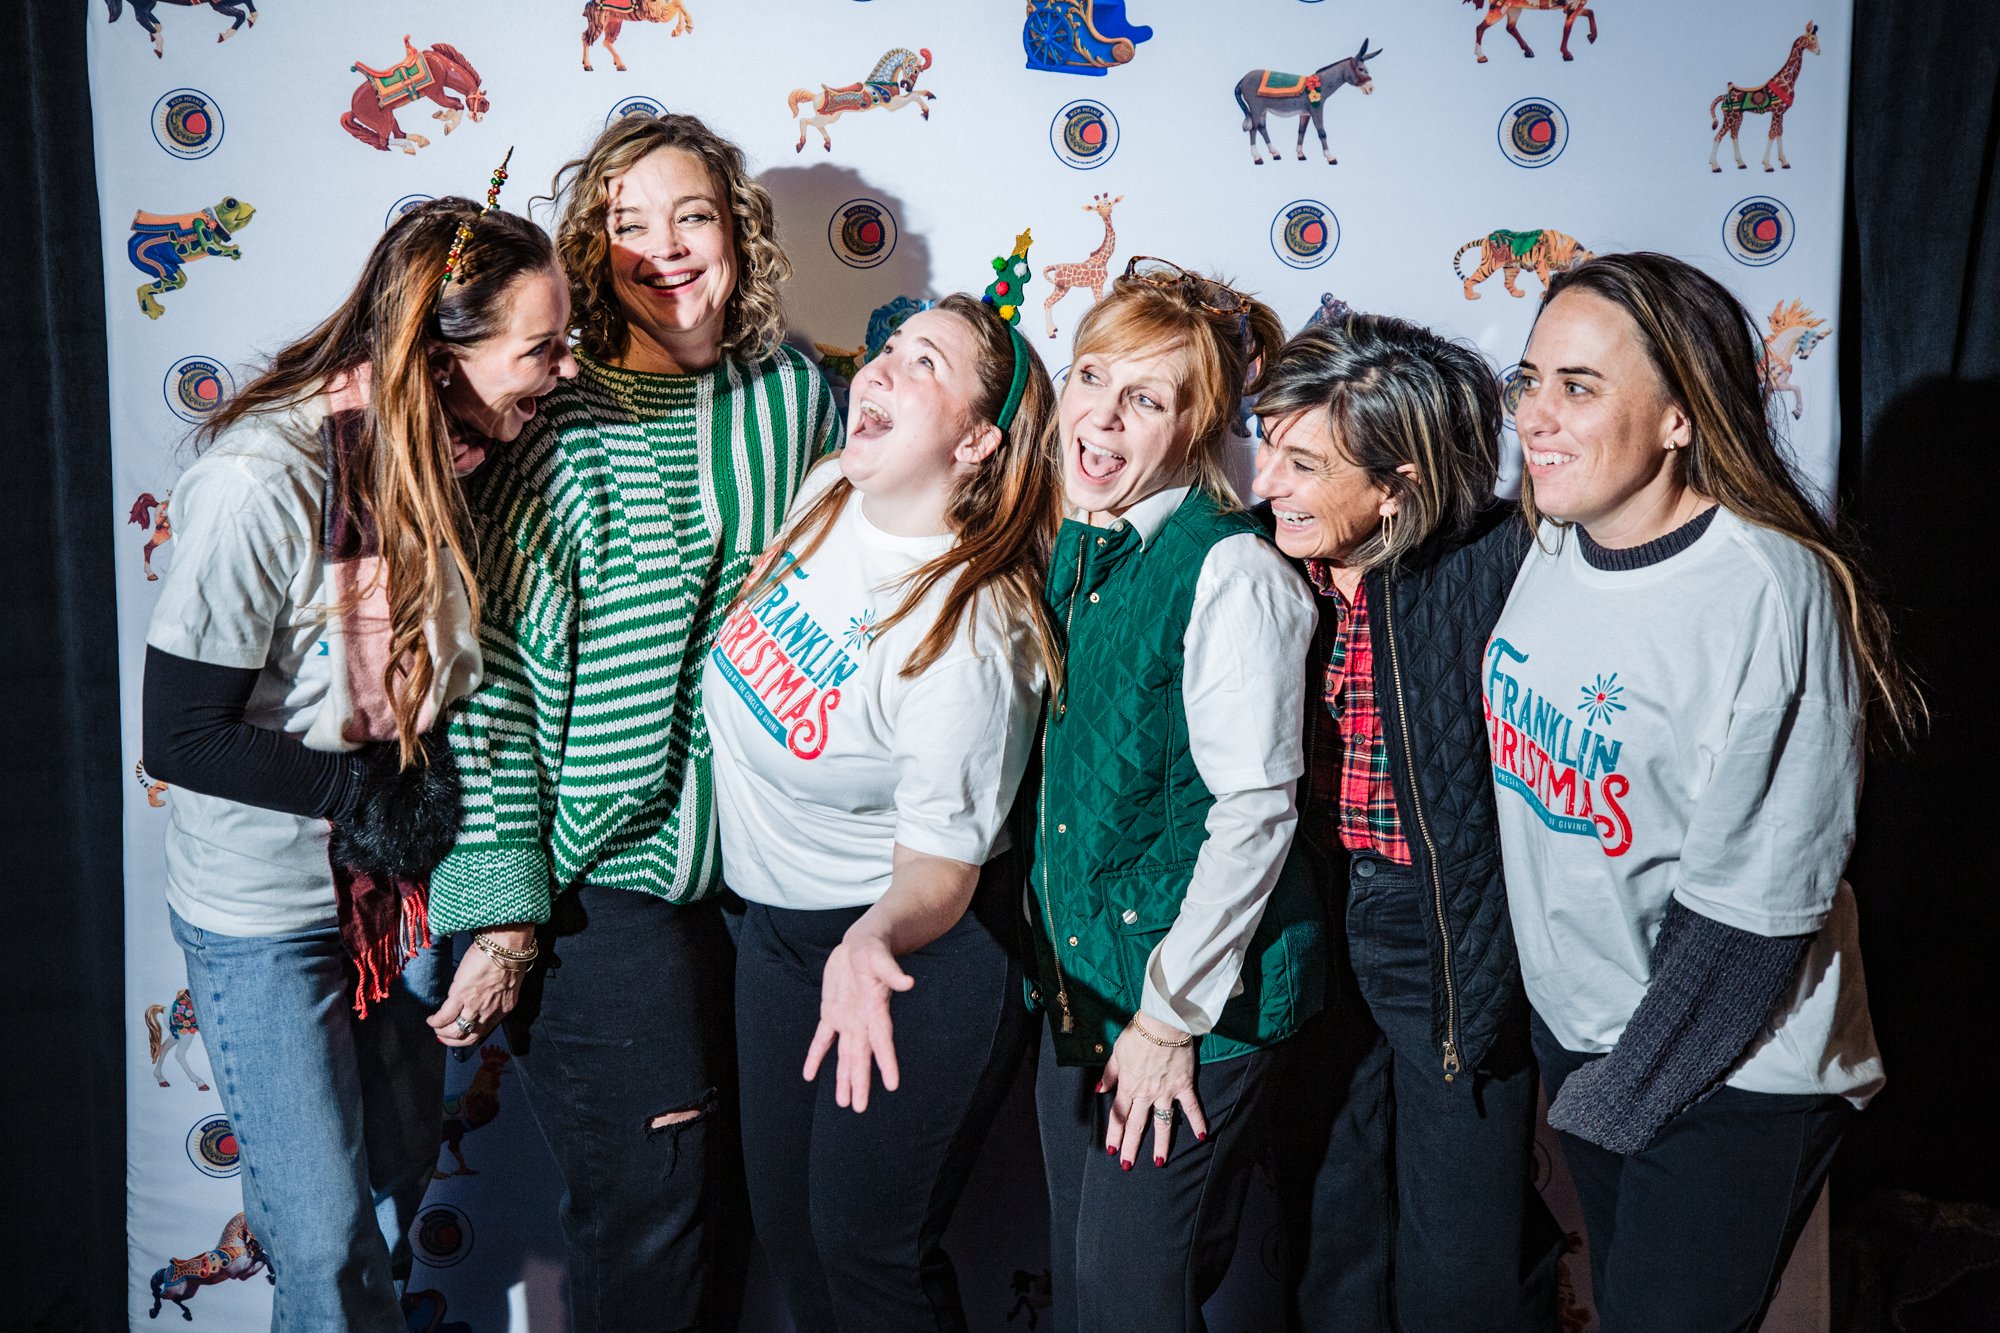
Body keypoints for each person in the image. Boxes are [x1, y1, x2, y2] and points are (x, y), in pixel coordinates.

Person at [426, 112, 841, 1332]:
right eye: (626, 223)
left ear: (737, 231)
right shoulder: (549, 414)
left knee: (741, 1212)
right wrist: (501, 903)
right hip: (596, 871)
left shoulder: (795, 398)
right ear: (590, 247)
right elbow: (484, 670)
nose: (663, 249)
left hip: (765, 872)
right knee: (650, 1209)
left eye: (692, 215)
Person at [140, 191, 574, 1331]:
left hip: (389, 908)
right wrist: (367, 796)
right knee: (327, 1251)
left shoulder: (443, 457)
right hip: (269, 919)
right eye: (541, 348)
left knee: (388, 1206)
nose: (563, 370)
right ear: (439, 354)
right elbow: (178, 735)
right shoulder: (261, 481)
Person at [1490, 251, 1921, 1330]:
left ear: (1678, 416)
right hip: (1601, 1047)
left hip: (1729, 1059)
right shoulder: (1553, 536)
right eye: (1528, 378)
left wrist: (1612, 1096)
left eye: (1578, 387)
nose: (1536, 416)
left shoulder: (1767, 590)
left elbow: (1751, 914)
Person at [711, 289, 1062, 1332]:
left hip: (911, 950)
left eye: (926, 365)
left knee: (865, 1258)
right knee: (795, 1247)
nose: (879, 372)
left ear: (976, 441)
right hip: (777, 932)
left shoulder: (966, 633)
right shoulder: (830, 489)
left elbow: (941, 875)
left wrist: (870, 938)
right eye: (886, 351)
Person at [1028, 257, 1324, 1332]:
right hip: (1086, 989)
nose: (1098, 417)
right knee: (1096, 1286)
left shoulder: (1231, 571)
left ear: (1196, 427)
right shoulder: (1085, 541)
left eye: (1143, 400)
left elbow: (1253, 813)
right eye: (1090, 376)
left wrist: (1167, 1015)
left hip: (1192, 1006)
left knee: (1124, 1301)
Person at [1250, 314, 1563, 1331]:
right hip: (1306, 916)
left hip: (1443, 933)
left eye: (1302, 462)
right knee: (1328, 1227)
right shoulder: (1261, 564)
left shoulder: (1502, 565)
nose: (1267, 483)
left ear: (1397, 485)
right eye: (1268, 446)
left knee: (1460, 1262)